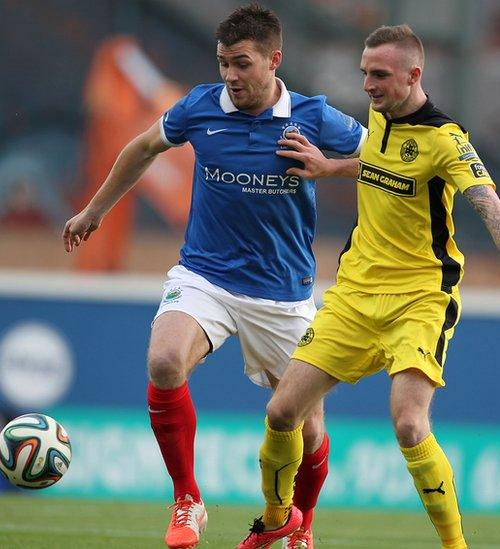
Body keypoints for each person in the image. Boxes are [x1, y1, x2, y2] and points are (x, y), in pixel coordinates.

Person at [62, 4, 366, 549]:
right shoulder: (200, 106)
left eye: (242, 63)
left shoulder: (315, 116)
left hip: (284, 296)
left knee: (308, 428)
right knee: (163, 360)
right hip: (207, 277)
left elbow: (391, 162)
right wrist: (95, 210)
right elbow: (141, 147)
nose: (230, 75)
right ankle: (187, 501)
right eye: (224, 62)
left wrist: (330, 167)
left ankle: (302, 527)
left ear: (274, 60)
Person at [237, 23, 500, 549]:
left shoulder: (445, 140)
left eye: (379, 75)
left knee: (409, 425)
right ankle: (277, 519)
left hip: (420, 297)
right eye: (364, 74)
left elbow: (488, 202)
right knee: (282, 412)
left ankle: (454, 545)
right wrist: (331, 167)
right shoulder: (379, 118)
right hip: (353, 295)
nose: (368, 85)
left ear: (414, 75)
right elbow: (380, 165)